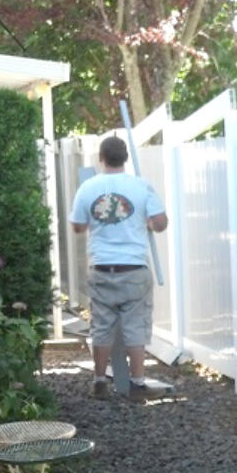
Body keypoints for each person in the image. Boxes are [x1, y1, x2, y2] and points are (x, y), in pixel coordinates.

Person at [70, 135, 168, 400]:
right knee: (135, 327)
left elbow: (77, 226)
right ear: (125, 158)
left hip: (101, 268)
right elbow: (161, 223)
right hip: (134, 268)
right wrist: (145, 222)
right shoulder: (141, 187)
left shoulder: (88, 188)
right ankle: (137, 384)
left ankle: (100, 382)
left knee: (102, 327)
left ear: (101, 158)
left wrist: (96, 222)